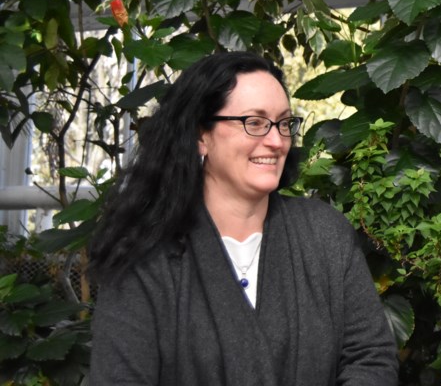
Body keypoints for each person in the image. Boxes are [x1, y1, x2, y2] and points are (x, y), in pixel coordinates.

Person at [87, 51, 398, 385]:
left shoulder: (324, 235)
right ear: (200, 135)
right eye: (255, 123)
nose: (277, 141)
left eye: (283, 123)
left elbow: (370, 358)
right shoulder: (144, 257)